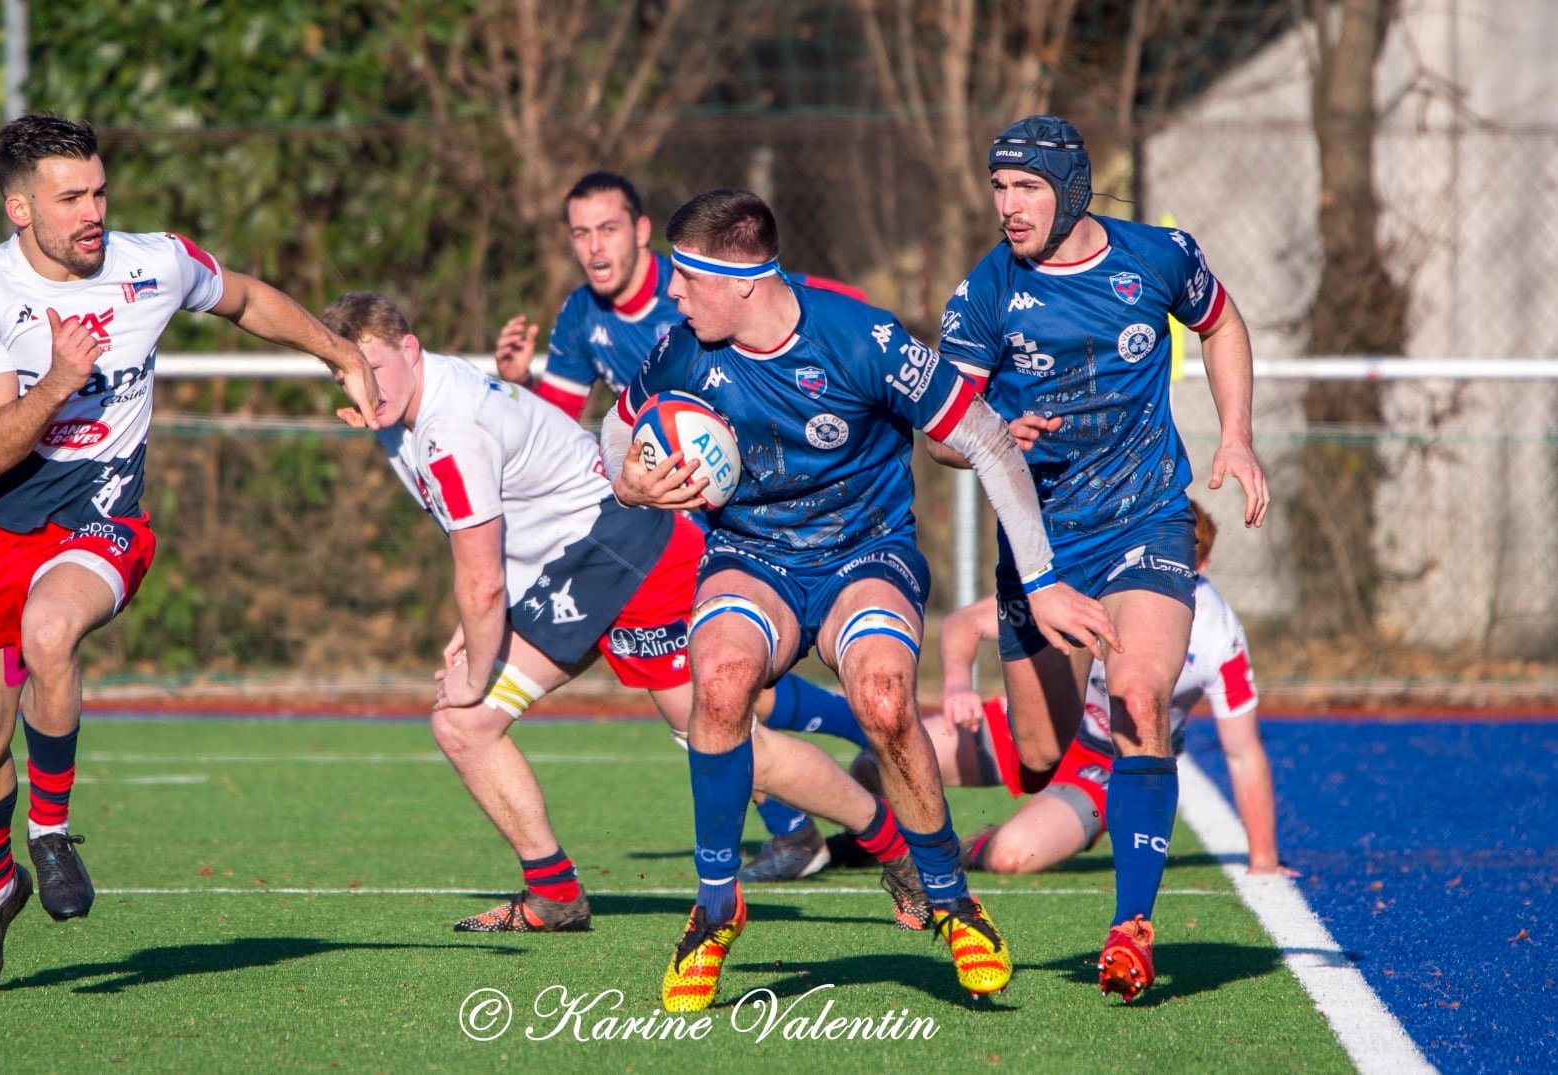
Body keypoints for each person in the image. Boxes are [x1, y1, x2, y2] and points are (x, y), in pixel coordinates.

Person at [603, 188, 1120, 1010]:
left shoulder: (861, 337)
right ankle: (713, 908)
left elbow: (984, 438)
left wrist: (1044, 577)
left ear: (737, 281)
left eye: (682, 278)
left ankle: (950, 899)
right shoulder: (679, 352)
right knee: (721, 681)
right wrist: (630, 484)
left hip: (862, 555)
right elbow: (617, 433)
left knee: (882, 700)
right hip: (750, 556)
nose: (668, 294)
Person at [318, 290, 934, 937]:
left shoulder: (447, 425)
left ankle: (892, 846)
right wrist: (469, 633)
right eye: (344, 372)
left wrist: (476, 655)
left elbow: (482, 578)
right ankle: (553, 892)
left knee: (718, 740)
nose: (363, 383)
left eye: (373, 364)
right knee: (464, 725)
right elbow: (492, 529)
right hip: (572, 567)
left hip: (627, 553)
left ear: (410, 349)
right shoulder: (406, 408)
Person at [0, 114, 382, 991]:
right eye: (71, 199)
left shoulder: (153, 263)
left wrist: (339, 353)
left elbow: (247, 298)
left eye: (99, 190)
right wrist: (61, 378)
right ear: (18, 209)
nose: (94, 211)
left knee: (50, 630)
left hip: (103, 519)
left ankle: (52, 833)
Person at [933, 114, 1270, 1002]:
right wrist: (989, 434)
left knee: (1136, 695)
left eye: (1027, 188)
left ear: (1072, 189)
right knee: (1039, 756)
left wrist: (1235, 436)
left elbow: (1223, 324)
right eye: (999, 187)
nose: (1008, 206)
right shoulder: (984, 291)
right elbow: (939, 433)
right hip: (1042, 545)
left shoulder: (1157, 256)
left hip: (1146, 519)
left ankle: (1130, 928)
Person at [493, 171, 872, 883]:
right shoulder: (581, 315)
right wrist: (521, 386)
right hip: (659, 520)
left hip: (736, 517)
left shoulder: (700, 282)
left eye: (607, 228)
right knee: (714, 693)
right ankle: (807, 817)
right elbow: (563, 424)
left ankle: (844, 782)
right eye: (579, 233)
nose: (593, 246)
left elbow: (806, 306)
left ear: (640, 231)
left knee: (716, 693)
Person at [843, 502, 1298, 881]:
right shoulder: (1090, 582)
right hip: (1037, 720)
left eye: (1179, 557)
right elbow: (965, 624)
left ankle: (959, 849)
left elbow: (1243, 753)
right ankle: (881, 841)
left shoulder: (1220, 635)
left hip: (1104, 766)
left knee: (1011, 856)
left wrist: (1263, 859)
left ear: (1201, 566)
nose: (1163, 567)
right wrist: (959, 685)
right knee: (874, 766)